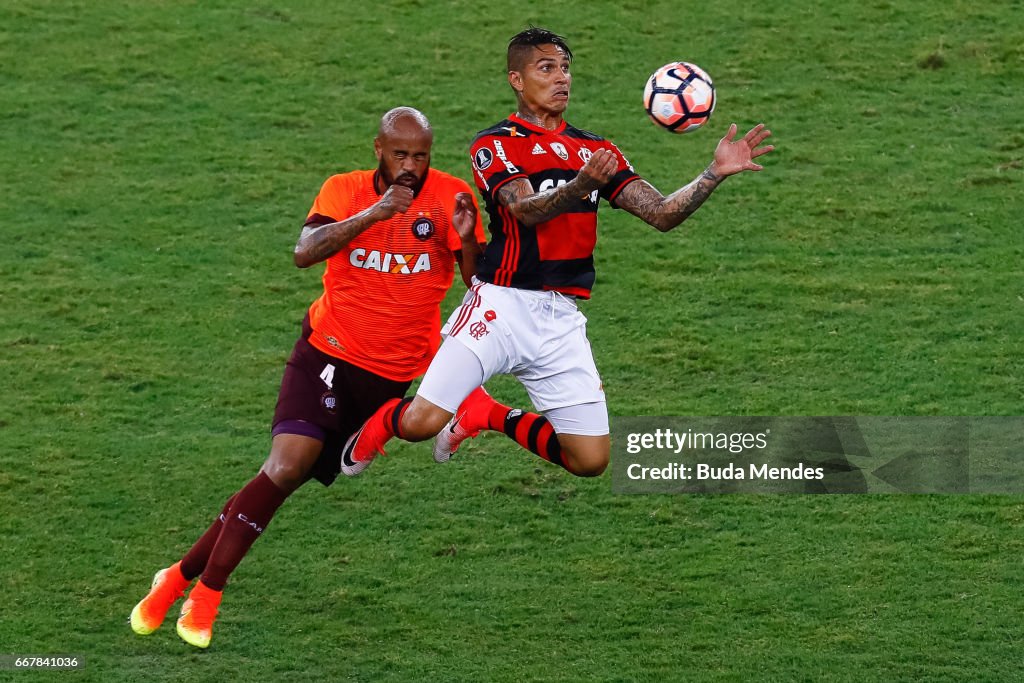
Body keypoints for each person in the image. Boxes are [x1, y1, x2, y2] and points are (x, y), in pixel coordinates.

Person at [341, 28, 774, 479]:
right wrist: (583, 184)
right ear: (517, 79)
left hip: (560, 319)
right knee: (420, 424)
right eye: (546, 68)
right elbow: (525, 210)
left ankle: (487, 415)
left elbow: (662, 214)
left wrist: (714, 172)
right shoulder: (496, 143)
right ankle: (376, 427)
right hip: (500, 307)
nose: (561, 78)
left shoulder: (595, 148)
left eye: (565, 68)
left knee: (590, 460)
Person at [129, 106, 485, 648]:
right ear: (378, 149)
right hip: (327, 354)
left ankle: (176, 577)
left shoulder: (450, 196)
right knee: (286, 465)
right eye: (400, 154)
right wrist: (376, 214)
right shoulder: (344, 190)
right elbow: (304, 251)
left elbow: (478, 284)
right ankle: (207, 597)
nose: (411, 165)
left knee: (278, 482)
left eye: (421, 155)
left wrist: (468, 238)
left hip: (391, 375)